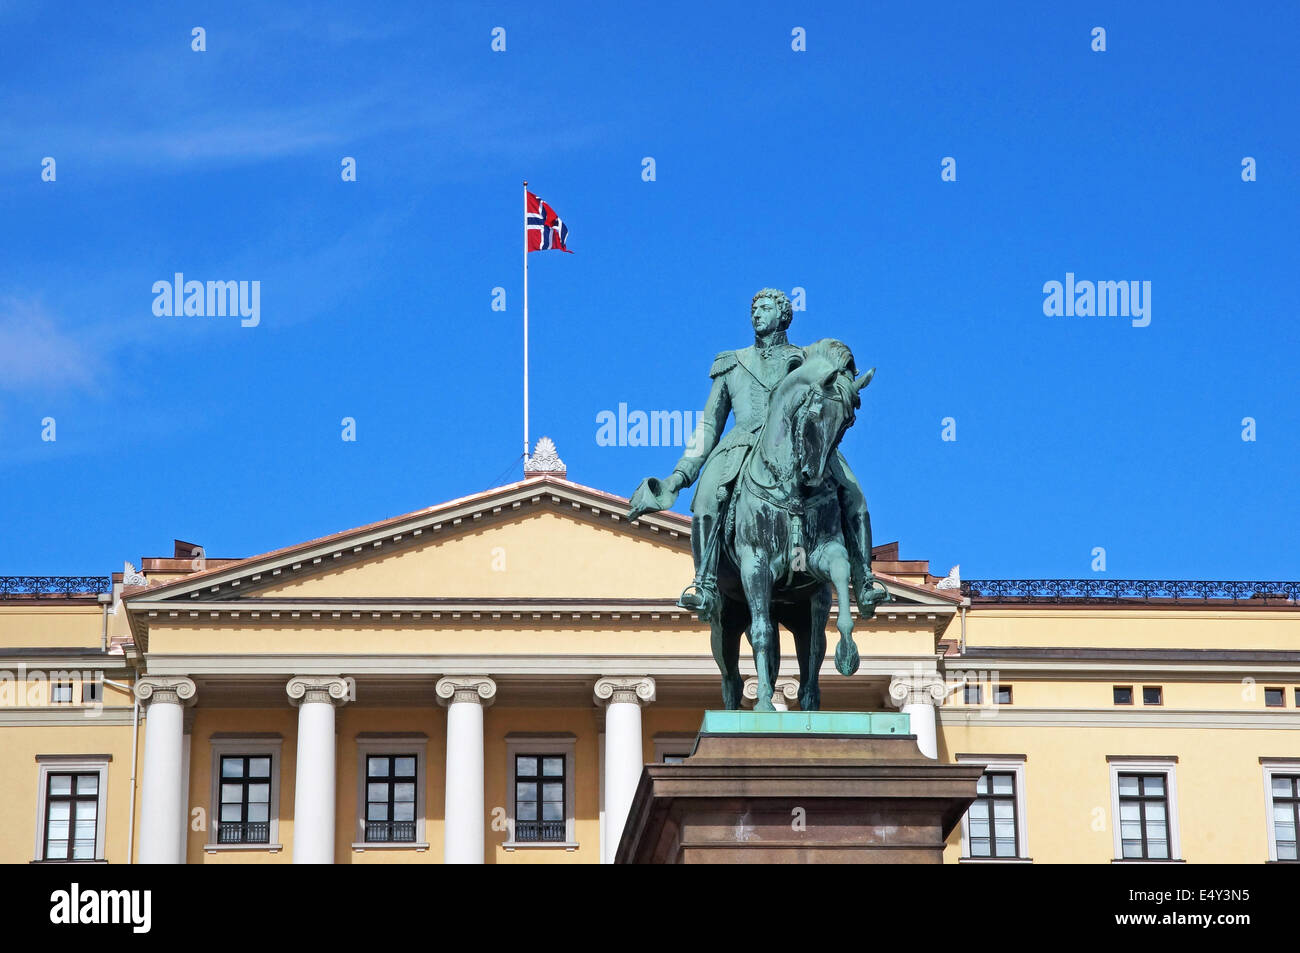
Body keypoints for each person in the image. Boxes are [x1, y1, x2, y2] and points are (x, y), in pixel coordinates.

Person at [626, 288, 880, 621]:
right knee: (705, 501)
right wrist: (680, 475)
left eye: (765, 307)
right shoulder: (732, 362)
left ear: (784, 314)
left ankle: (864, 581)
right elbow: (709, 425)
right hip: (739, 445)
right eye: (754, 309)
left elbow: (839, 386)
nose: (756, 314)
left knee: (855, 495)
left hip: (804, 444)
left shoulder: (806, 360)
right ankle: (704, 584)